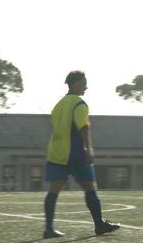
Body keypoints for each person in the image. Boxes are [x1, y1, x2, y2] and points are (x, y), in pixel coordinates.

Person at [43, 70, 120, 238]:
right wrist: (88, 148)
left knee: (53, 191)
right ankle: (99, 224)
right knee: (90, 188)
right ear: (76, 83)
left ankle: (48, 229)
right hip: (75, 153)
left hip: (56, 153)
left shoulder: (59, 104)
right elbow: (83, 127)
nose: (86, 86)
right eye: (84, 83)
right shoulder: (79, 104)